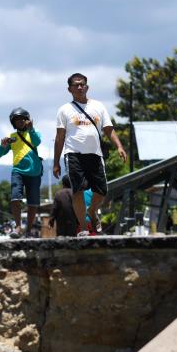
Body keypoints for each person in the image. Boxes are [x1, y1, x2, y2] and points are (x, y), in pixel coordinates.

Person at [53, 73, 127, 237]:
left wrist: (119, 147)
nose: (79, 87)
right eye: (76, 85)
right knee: (77, 190)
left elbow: (109, 129)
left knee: (102, 190)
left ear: (87, 87)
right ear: (69, 89)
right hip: (73, 154)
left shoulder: (98, 106)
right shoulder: (64, 110)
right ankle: (84, 227)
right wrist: (56, 162)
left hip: (95, 154)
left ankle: (92, 211)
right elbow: (60, 137)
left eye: (82, 84)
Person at [0, 107, 43, 238]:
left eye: (22, 119)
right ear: (13, 123)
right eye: (16, 120)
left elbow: (37, 142)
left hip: (34, 172)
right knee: (15, 198)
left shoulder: (34, 133)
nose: (20, 121)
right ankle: (17, 227)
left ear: (27, 120)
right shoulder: (12, 137)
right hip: (18, 171)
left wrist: (31, 129)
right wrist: (3, 145)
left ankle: (28, 230)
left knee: (32, 203)